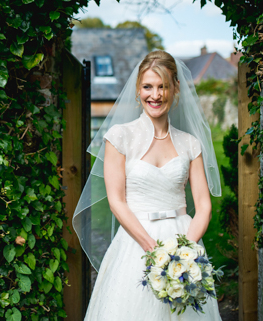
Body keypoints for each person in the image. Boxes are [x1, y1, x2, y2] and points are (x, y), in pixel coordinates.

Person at [73, 50, 223, 320]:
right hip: (135, 243)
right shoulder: (120, 137)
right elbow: (116, 201)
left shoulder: (190, 143)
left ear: (175, 89)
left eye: (163, 86)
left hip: (183, 236)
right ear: (137, 90)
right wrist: (153, 250)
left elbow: (203, 206)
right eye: (148, 86)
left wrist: (185, 253)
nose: (155, 95)